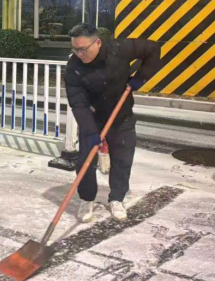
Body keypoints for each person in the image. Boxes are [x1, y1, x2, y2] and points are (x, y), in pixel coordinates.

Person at [65, 24, 162, 222]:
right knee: (85, 161)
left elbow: (153, 49)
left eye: (83, 49)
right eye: (75, 49)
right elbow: (78, 104)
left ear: (98, 43)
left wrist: (140, 78)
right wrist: (91, 131)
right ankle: (87, 199)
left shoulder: (119, 48)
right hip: (92, 117)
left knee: (122, 159)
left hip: (121, 115)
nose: (79, 54)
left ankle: (117, 198)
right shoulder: (74, 68)